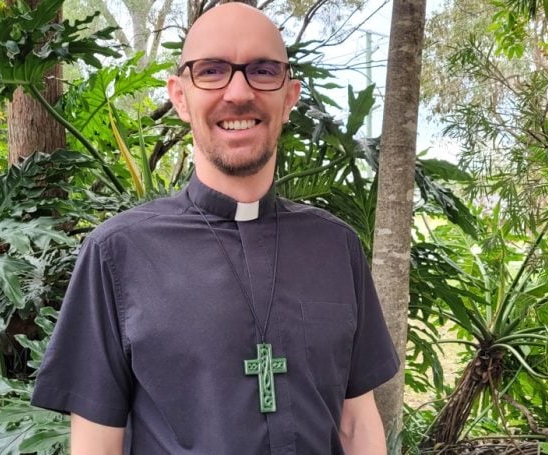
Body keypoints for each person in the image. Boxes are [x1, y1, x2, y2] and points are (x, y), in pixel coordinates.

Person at [31, 3, 399, 453]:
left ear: (289, 97)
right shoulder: (116, 253)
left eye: (263, 71)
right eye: (211, 71)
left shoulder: (335, 246)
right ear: (180, 97)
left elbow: (357, 423)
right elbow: (96, 444)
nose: (239, 92)